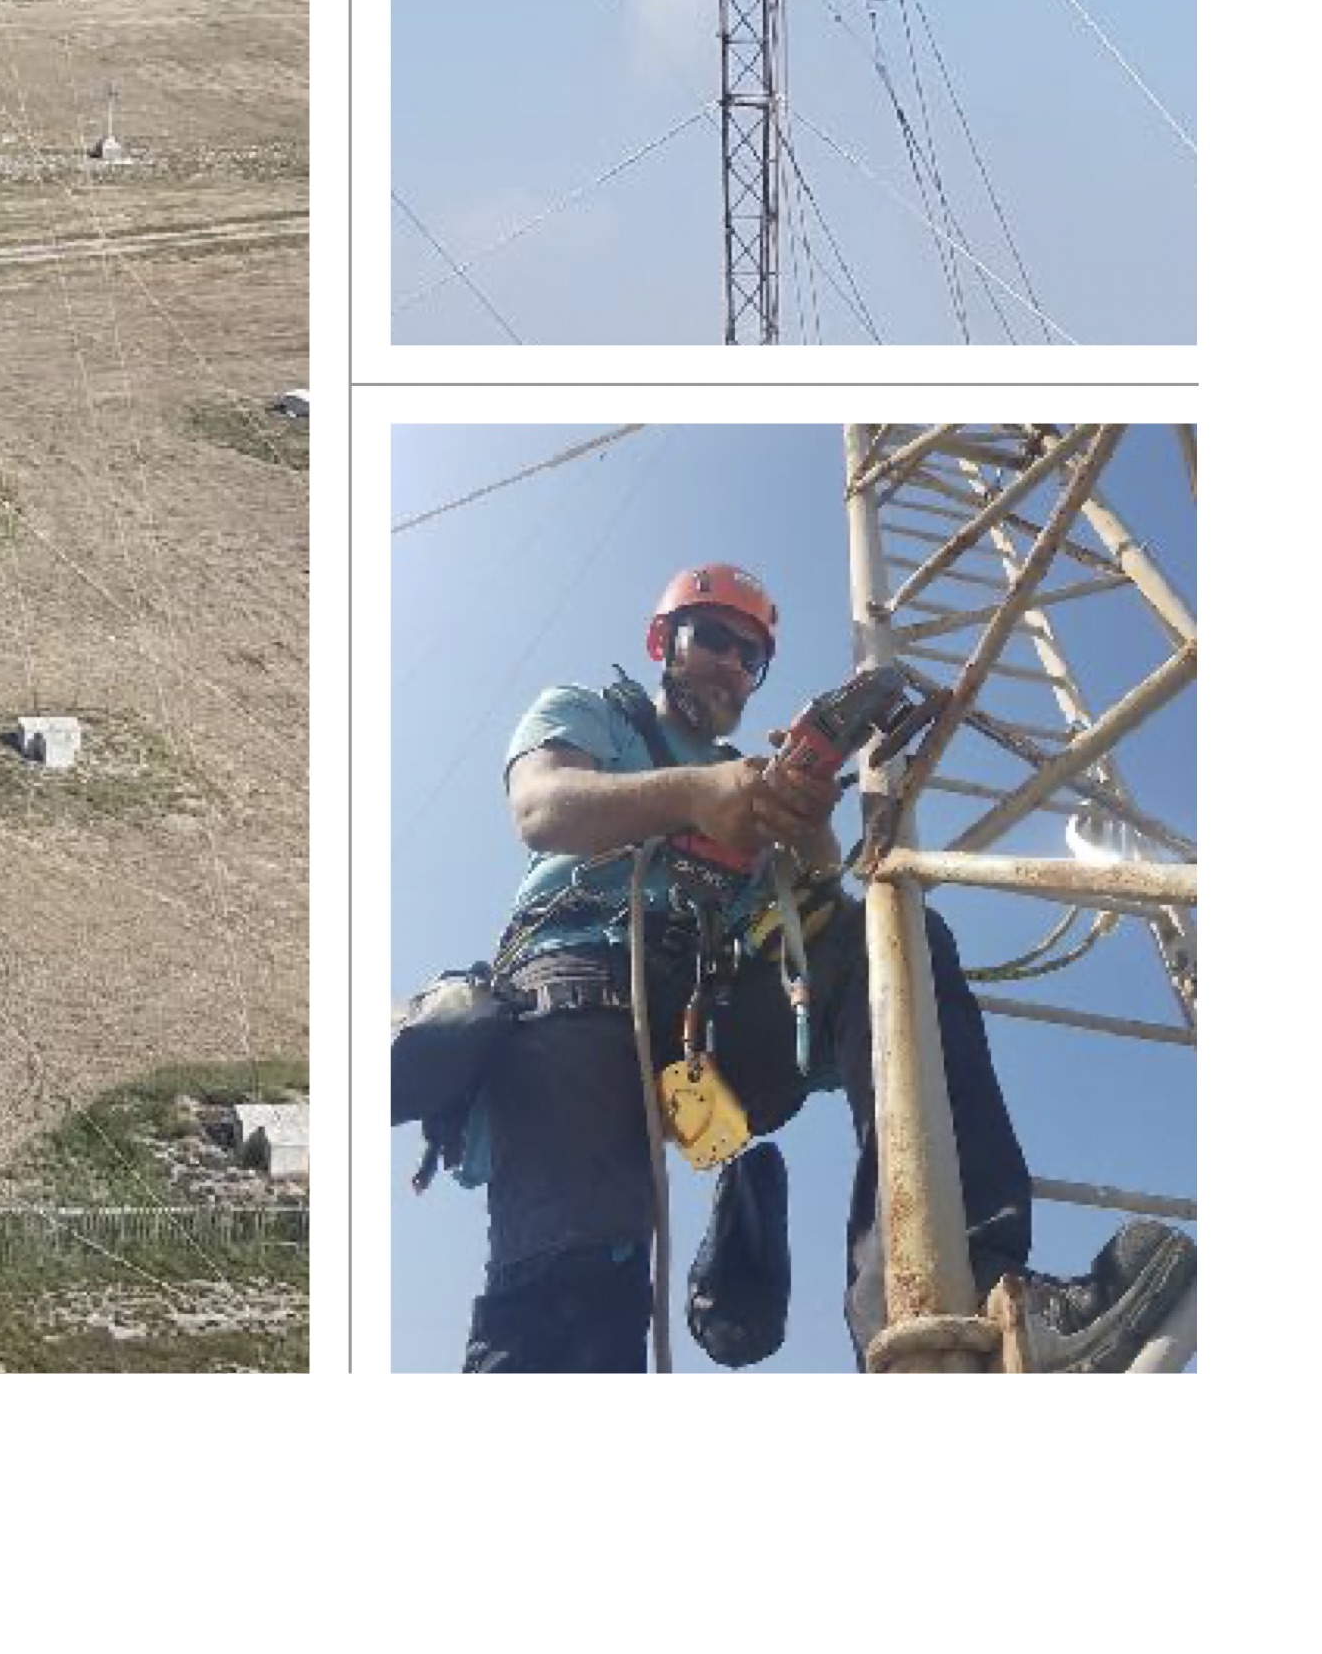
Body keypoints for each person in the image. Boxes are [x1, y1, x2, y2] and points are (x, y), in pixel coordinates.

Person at [449, 562, 1192, 1373]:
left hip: (710, 1019)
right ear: (665, 642)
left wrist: (805, 829)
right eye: (714, 639)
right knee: (575, 1297)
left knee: (890, 942)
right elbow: (542, 806)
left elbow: (815, 920)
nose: (733, 665)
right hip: (577, 996)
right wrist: (696, 794)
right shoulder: (595, 713)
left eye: (751, 656)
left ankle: (973, 1288)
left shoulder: (749, 781)